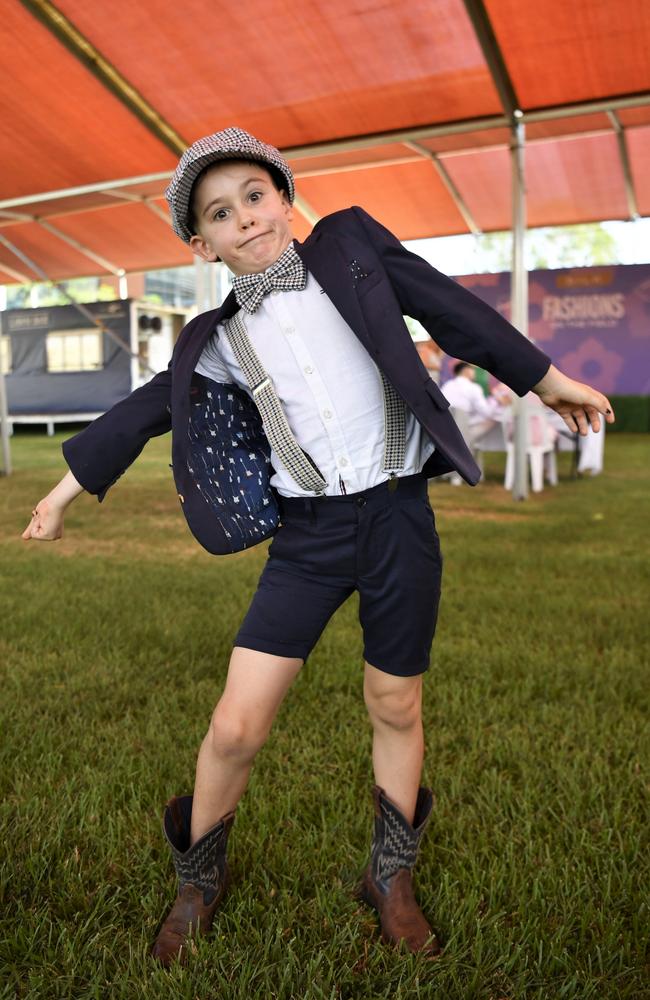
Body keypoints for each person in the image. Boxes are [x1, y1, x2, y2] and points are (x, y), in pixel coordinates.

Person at [22, 127, 614, 967]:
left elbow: (447, 304)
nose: (246, 219)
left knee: (395, 702)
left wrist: (545, 379)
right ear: (203, 243)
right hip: (308, 540)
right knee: (235, 726)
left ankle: (390, 876)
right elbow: (141, 412)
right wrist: (60, 494)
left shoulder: (353, 247)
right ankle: (198, 879)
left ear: (284, 197)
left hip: (398, 519)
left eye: (254, 197)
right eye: (221, 214)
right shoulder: (217, 340)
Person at [441, 361, 511, 445]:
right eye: (473, 369)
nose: (475, 372)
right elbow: (486, 412)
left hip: (445, 425)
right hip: (462, 428)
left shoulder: (447, 385)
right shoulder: (473, 387)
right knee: (497, 417)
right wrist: (497, 400)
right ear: (466, 371)